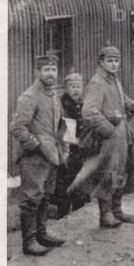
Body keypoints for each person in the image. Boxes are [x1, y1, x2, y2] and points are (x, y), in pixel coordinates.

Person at [73, 45, 134, 228]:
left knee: (120, 172)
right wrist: (109, 131)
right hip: (109, 139)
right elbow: (89, 113)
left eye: (116, 60)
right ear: (101, 62)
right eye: (110, 61)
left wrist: (132, 104)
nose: (114, 64)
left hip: (121, 135)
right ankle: (105, 214)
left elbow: (120, 98)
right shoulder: (97, 83)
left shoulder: (112, 80)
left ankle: (117, 210)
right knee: (109, 174)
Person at [10, 54, 67, 257]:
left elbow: (59, 124)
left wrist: (61, 145)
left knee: (45, 196)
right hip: (33, 157)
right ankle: (29, 241)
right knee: (32, 198)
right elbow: (18, 127)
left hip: (50, 155)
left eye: (53, 70)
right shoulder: (29, 96)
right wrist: (36, 145)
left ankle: (41, 234)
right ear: (37, 72)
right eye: (46, 70)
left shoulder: (53, 95)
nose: (50, 73)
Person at [51, 71, 90, 218]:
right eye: (72, 87)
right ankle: (63, 215)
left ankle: (79, 214)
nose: (75, 90)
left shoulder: (83, 104)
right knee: (64, 185)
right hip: (65, 152)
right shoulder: (61, 106)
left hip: (80, 152)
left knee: (80, 183)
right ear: (66, 88)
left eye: (78, 86)